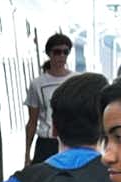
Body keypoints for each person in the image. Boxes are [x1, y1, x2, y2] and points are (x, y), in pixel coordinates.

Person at [25, 35, 80, 165]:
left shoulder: (77, 81)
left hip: (71, 141)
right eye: (57, 52)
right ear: (49, 54)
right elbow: (32, 122)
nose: (61, 56)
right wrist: (27, 153)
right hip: (47, 143)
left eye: (65, 52)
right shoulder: (37, 84)